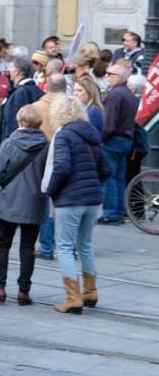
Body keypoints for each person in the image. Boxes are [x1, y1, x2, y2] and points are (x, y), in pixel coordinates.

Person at [44, 97, 110, 313]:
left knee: (64, 247)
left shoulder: (64, 135)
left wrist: (52, 191)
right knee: (86, 246)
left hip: (70, 199)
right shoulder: (91, 135)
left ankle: (73, 298)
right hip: (92, 198)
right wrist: (91, 183)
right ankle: (90, 291)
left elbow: (61, 167)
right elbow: (106, 169)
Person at [0, 105, 48, 306]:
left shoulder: (10, 142)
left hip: (9, 199)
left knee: (2, 244)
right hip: (35, 201)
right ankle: (24, 291)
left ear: (20, 121)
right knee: (28, 247)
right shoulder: (46, 145)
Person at [99, 61, 139, 225]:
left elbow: (109, 123)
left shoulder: (115, 95)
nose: (107, 77)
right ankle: (119, 211)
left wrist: (100, 139)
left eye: (110, 74)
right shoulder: (129, 94)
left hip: (113, 139)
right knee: (119, 178)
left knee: (109, 177)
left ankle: (110, 213)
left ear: (118, 77)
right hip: (126, 139)